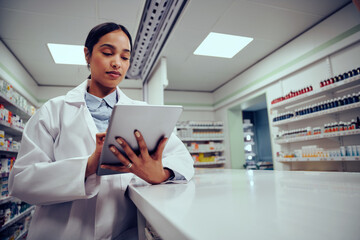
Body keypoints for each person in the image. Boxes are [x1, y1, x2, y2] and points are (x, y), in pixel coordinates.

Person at [9, 22, 194, 240]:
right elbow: (21, 182)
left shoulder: (142, 112)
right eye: (107, 53)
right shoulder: (53, 111)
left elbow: (183, 159)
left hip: (126, 232)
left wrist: (161, 174)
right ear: (87, 55)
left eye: (125, 58)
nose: (117, 63)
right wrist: (86, 167)